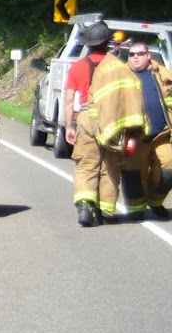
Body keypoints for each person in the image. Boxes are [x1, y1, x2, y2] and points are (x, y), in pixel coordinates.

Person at [97, 41, 172, 220]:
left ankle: (155, 202)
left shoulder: (161, 74)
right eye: (131, 54)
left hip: (161, 135)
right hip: (135, 138)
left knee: (169, 168)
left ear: (148, 56)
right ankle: (136, 209)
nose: (135, 57)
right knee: (133, 176)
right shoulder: (120, 76)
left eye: (139, 54)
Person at [65, 21, 114, 226]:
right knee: (109, 166)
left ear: (89, 44)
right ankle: (105, 210)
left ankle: (85, 207)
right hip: (111, 118)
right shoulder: (116, 66)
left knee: (86, 165)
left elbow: (69, 100)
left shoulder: (78, 67)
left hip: (86, 117)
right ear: (107, 43)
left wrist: (69, 125)